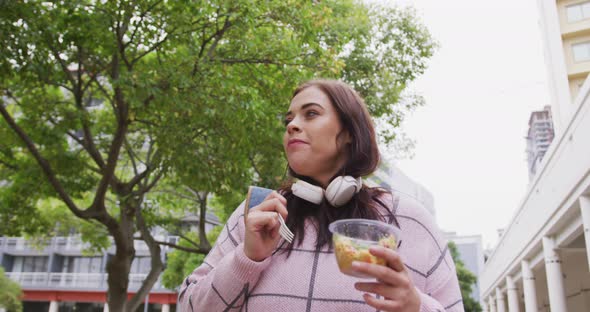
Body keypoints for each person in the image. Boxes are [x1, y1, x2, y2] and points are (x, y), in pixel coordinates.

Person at [178, 79, 464, 312]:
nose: (292, 125)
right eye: (288, 119)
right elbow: (188, 307)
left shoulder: (408, 219)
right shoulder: (259, 213)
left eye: (311, 114)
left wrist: (415, 307)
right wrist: (247, 257)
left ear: (350, 132)